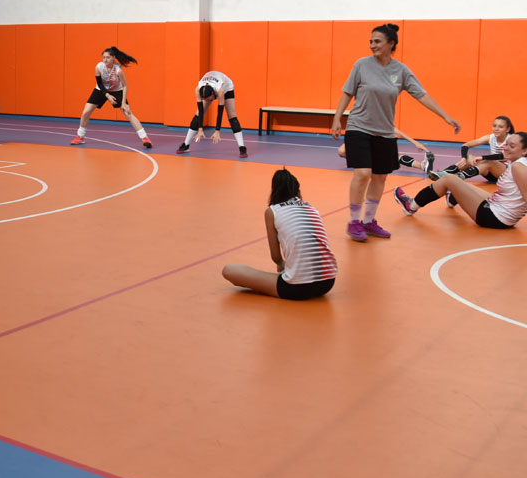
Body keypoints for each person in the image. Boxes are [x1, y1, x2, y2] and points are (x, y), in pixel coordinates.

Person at [332, 23, 460, 241]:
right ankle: (354, 222)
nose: (372, 45)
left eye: (377, 41)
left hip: (385, 133)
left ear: (391, 44)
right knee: (363, 174)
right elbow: (347, 93)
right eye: (371, 41)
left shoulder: (401, 71)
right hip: (359, 127)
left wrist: (445, 116)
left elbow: (422, 95)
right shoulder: (361, 65)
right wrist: (337, 118)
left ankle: (369, 221)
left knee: (380, 177)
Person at [222, 168, 338, 300]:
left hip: (298, 288)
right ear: (297, 191)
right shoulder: (312, 208)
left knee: (229, 271)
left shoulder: (272, 211)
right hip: (328, 283)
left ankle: (286, 278)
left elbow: (276, 257)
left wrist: (282, 264)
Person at [394, 131, 527, 229]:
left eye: (512, 146)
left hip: (494, 217)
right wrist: (483, 159)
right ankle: (453, 196)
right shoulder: (519, 162)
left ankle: (411, 206)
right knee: (461, 182)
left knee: (449, 179)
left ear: (524, 150)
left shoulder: (518, 166)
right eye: (507, 144)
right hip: (501, 210)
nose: (506, 148)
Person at [70, 47, 153, 149]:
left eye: (107, 58)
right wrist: (108, 96)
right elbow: (99, 84)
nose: (105, 60)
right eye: (104, 57)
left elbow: (125, 86)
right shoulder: (99, 67)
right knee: (85, 112)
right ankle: (80, 137)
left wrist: (123, 103)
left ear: (113, 58)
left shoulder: (118, 70)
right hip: (101, 90)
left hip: (116, 91)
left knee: (128, 112)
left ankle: (145, 138)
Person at [177, 71, 247, 157]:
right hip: (211, 84)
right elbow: (201, 110)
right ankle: (186, 145)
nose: (208, 101)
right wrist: (200, 129)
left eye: (209, 99)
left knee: (232, 115)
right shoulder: (198, 90)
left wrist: (217, 131)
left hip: (226, 86)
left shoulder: (220, 91)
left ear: (213, 94)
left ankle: (242, 147)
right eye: (205, 99)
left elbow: (220, 111)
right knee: (198, 114)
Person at [445, 115, 516, 183]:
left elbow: (502, 156)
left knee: (489, 161)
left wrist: (482, 158)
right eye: (494, 126)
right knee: (469, 158)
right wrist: (464, 158)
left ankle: (461, 176)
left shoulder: (512, 139)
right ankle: (445, 173)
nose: (496, 129)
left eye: (500, 127)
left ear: (508, 129)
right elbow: (465, 145)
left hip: (506, 174)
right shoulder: (490, 137)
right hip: (491, 172)